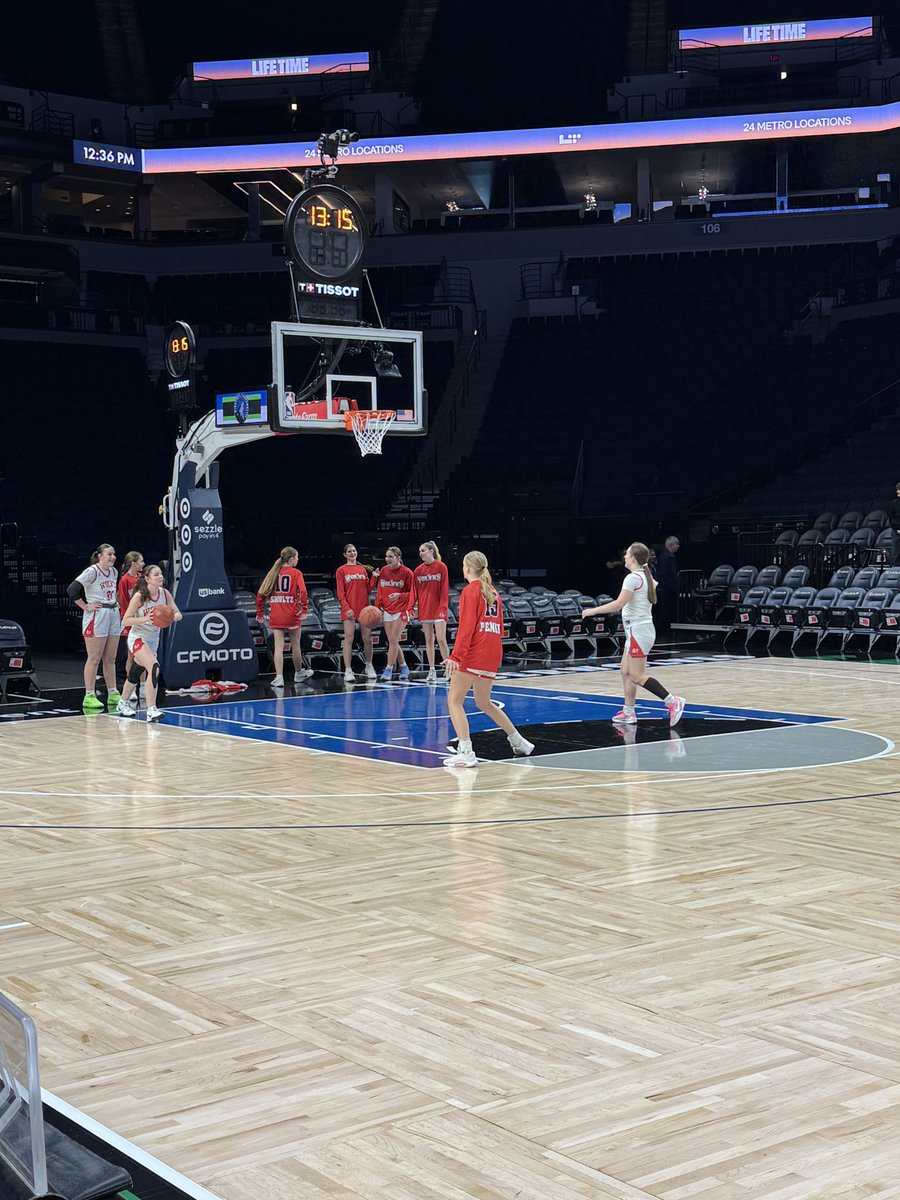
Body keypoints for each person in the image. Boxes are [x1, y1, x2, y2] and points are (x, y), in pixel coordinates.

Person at [443, 551, 534, 767]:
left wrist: (456, 656)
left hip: (475, 651)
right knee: (484, 702)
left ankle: (466, 752)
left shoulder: (470, 591)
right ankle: (519, 741)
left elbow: (466, 628)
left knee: (454, 701)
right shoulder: (492, 591)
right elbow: (499, 628)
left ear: (466, 568)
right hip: (492, 651)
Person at [582, 541, 685, 727]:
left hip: (639, 630)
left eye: (627, 554)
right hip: (638, 629)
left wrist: (593, 611)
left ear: (634, 558)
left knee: (637, 675)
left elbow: (619, 604)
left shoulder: (633, 578)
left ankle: (672, 701)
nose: (624, 557)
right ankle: (629, 712)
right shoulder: (646, 576)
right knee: (625, 671)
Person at [117, 564, 181, 722]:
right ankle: (151, 709)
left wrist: (169, 617)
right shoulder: (139, 596)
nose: (161, 577)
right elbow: (126, 620)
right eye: (156, 574)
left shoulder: (164, 593)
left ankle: (122, 702)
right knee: (154, 667)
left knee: (136, 672)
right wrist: (146, 618)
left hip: (153, 640)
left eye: (161, 574)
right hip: (138, 638)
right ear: (147, 579)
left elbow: (179, 614)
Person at [68, 543, 122, 712]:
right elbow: (72, 589)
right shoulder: (92, 571)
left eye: (114, 554)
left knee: (111, 658)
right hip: (97, 615)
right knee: (94, 658)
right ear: (100, 556)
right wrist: (85, 606)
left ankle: (113, 692)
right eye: (109, 554)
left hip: (113, 612)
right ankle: (89, 695)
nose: (112, 557)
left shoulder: (114, 571)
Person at [256, 546, 312, 688]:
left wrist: (260, 612)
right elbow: (304, 592)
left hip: (276, 615)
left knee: (278, 647)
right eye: (297, 557)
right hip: (291, 614)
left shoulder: (273, 573)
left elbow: (260, 594)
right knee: (295, 645)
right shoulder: (296, 573)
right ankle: (299, 673)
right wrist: (304, 608)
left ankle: (279, 677)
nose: (298, 559)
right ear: (292, 558)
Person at [371, 546, 414, 682]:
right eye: (386, 556)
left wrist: (400, 596)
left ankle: (388, 668)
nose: (387, 559)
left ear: (398, 558)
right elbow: (380, 590)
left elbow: (414, 594)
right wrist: (377, 608)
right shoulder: (383, 570)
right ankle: (404, 666)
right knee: (392, 641)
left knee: (394, 640)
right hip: (387, 610)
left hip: (402, 609)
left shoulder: (407, 573)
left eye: (391, 556)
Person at [336, 543, 377, 683]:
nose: (352, 553)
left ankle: (369, 666)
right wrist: (347, 608)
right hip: (349, 609)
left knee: (367, 639)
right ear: (345, 554)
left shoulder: (362, 569)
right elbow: (341, 593)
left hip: (364, 609)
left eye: (354, 551)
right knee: (349, 638)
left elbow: (368, 590)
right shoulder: (341, 570)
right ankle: (348, 670)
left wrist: (374, 578)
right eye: (349, 551)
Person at [414, 541, 450, 684]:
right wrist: (414, 606)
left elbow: (444, 589)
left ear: (431, 551)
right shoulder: (418, 570)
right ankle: (432, 669)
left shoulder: (441, 567)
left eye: (423, 550)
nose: (420, 553)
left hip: (439, 608)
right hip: (424, 608)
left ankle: (448, 669)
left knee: (441, 638)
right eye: (419, 551)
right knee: (429, 640)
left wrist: (443, 607)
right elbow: (416, 591)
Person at [117, 550, 145, 695]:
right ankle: (132, 687)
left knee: (143, 655)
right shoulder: (124, 580)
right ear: (134, 564)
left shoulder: (142, 578)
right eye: (141, 561)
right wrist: (126, 618)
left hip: (142, 619)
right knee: (131, 656)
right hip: (130, 619)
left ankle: (145, 687)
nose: (143, 564)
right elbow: (122, 601)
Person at [654, 535, 681, 633]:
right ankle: (661, 629)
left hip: (669, 587)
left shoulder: (670, 557)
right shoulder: (665, 558)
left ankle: (664, 628)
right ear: (671, 545)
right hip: (666, 588)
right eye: (676, 544)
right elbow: (664, 573)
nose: (678, 547)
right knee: (664, 610)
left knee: (667, 609)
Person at [890, 483, 900, 566]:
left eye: (899, 489)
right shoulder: (894, 503)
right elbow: (891, 516)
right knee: (896, 553)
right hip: (896, 530)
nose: (897, 491)